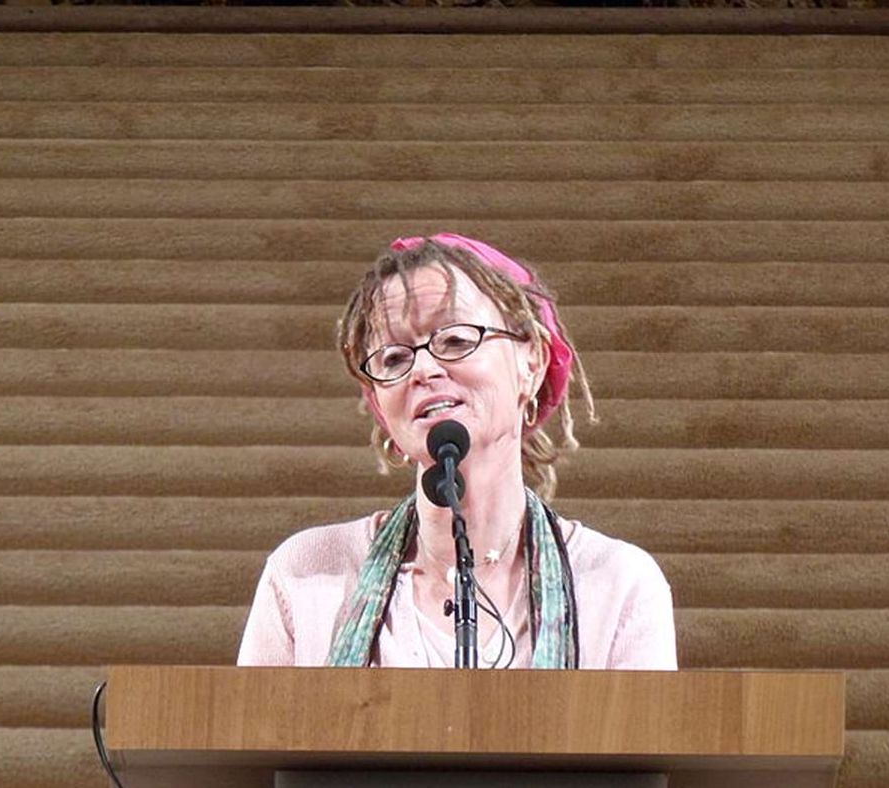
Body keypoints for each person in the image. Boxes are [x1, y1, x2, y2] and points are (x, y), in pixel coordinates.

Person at [238, 233, 676, 670]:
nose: (424, 369)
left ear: (533, 362)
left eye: (455, 340)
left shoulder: (617, 585)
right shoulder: (305, 576)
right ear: (380, 406)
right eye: (394, 359)